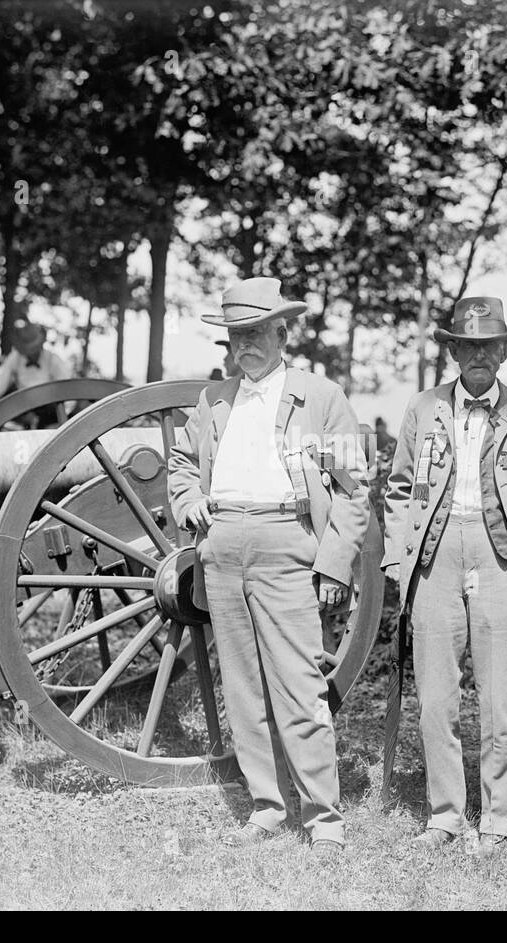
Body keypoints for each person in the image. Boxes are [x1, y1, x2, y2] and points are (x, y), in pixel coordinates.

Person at [169, 276, 369, 858]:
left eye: (256, 332)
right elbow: (182, 463)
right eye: (237, 335)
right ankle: (265, 807)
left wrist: (334, 564)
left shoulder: (324, 398)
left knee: (300, 683)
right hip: (223, 542)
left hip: (289, 541)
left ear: (283, 333)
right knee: (243, 686)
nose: (245, 344)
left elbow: (355, 489)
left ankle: (325, 819)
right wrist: (188, 501)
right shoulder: (214, 400)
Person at [382, 297, 507, 856]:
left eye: (490, 346)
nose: (479, 356)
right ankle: (445, 815)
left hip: (498, 554)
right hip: (436, 553)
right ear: (453, 351)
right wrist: (397, 560)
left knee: (501, 693)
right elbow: (397, 488)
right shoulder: (424, 408)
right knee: (436, 695)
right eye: (468, 345)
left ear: (504, 352)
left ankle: (501, 819)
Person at [0, 318, 71, 418]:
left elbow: (68, 389)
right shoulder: (15, 358)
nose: (31, 354)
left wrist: (64, 418)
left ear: (40, 346)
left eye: (34, 349)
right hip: (24, 410)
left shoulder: (53, 360)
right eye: (28, 350)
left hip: (51, 412)